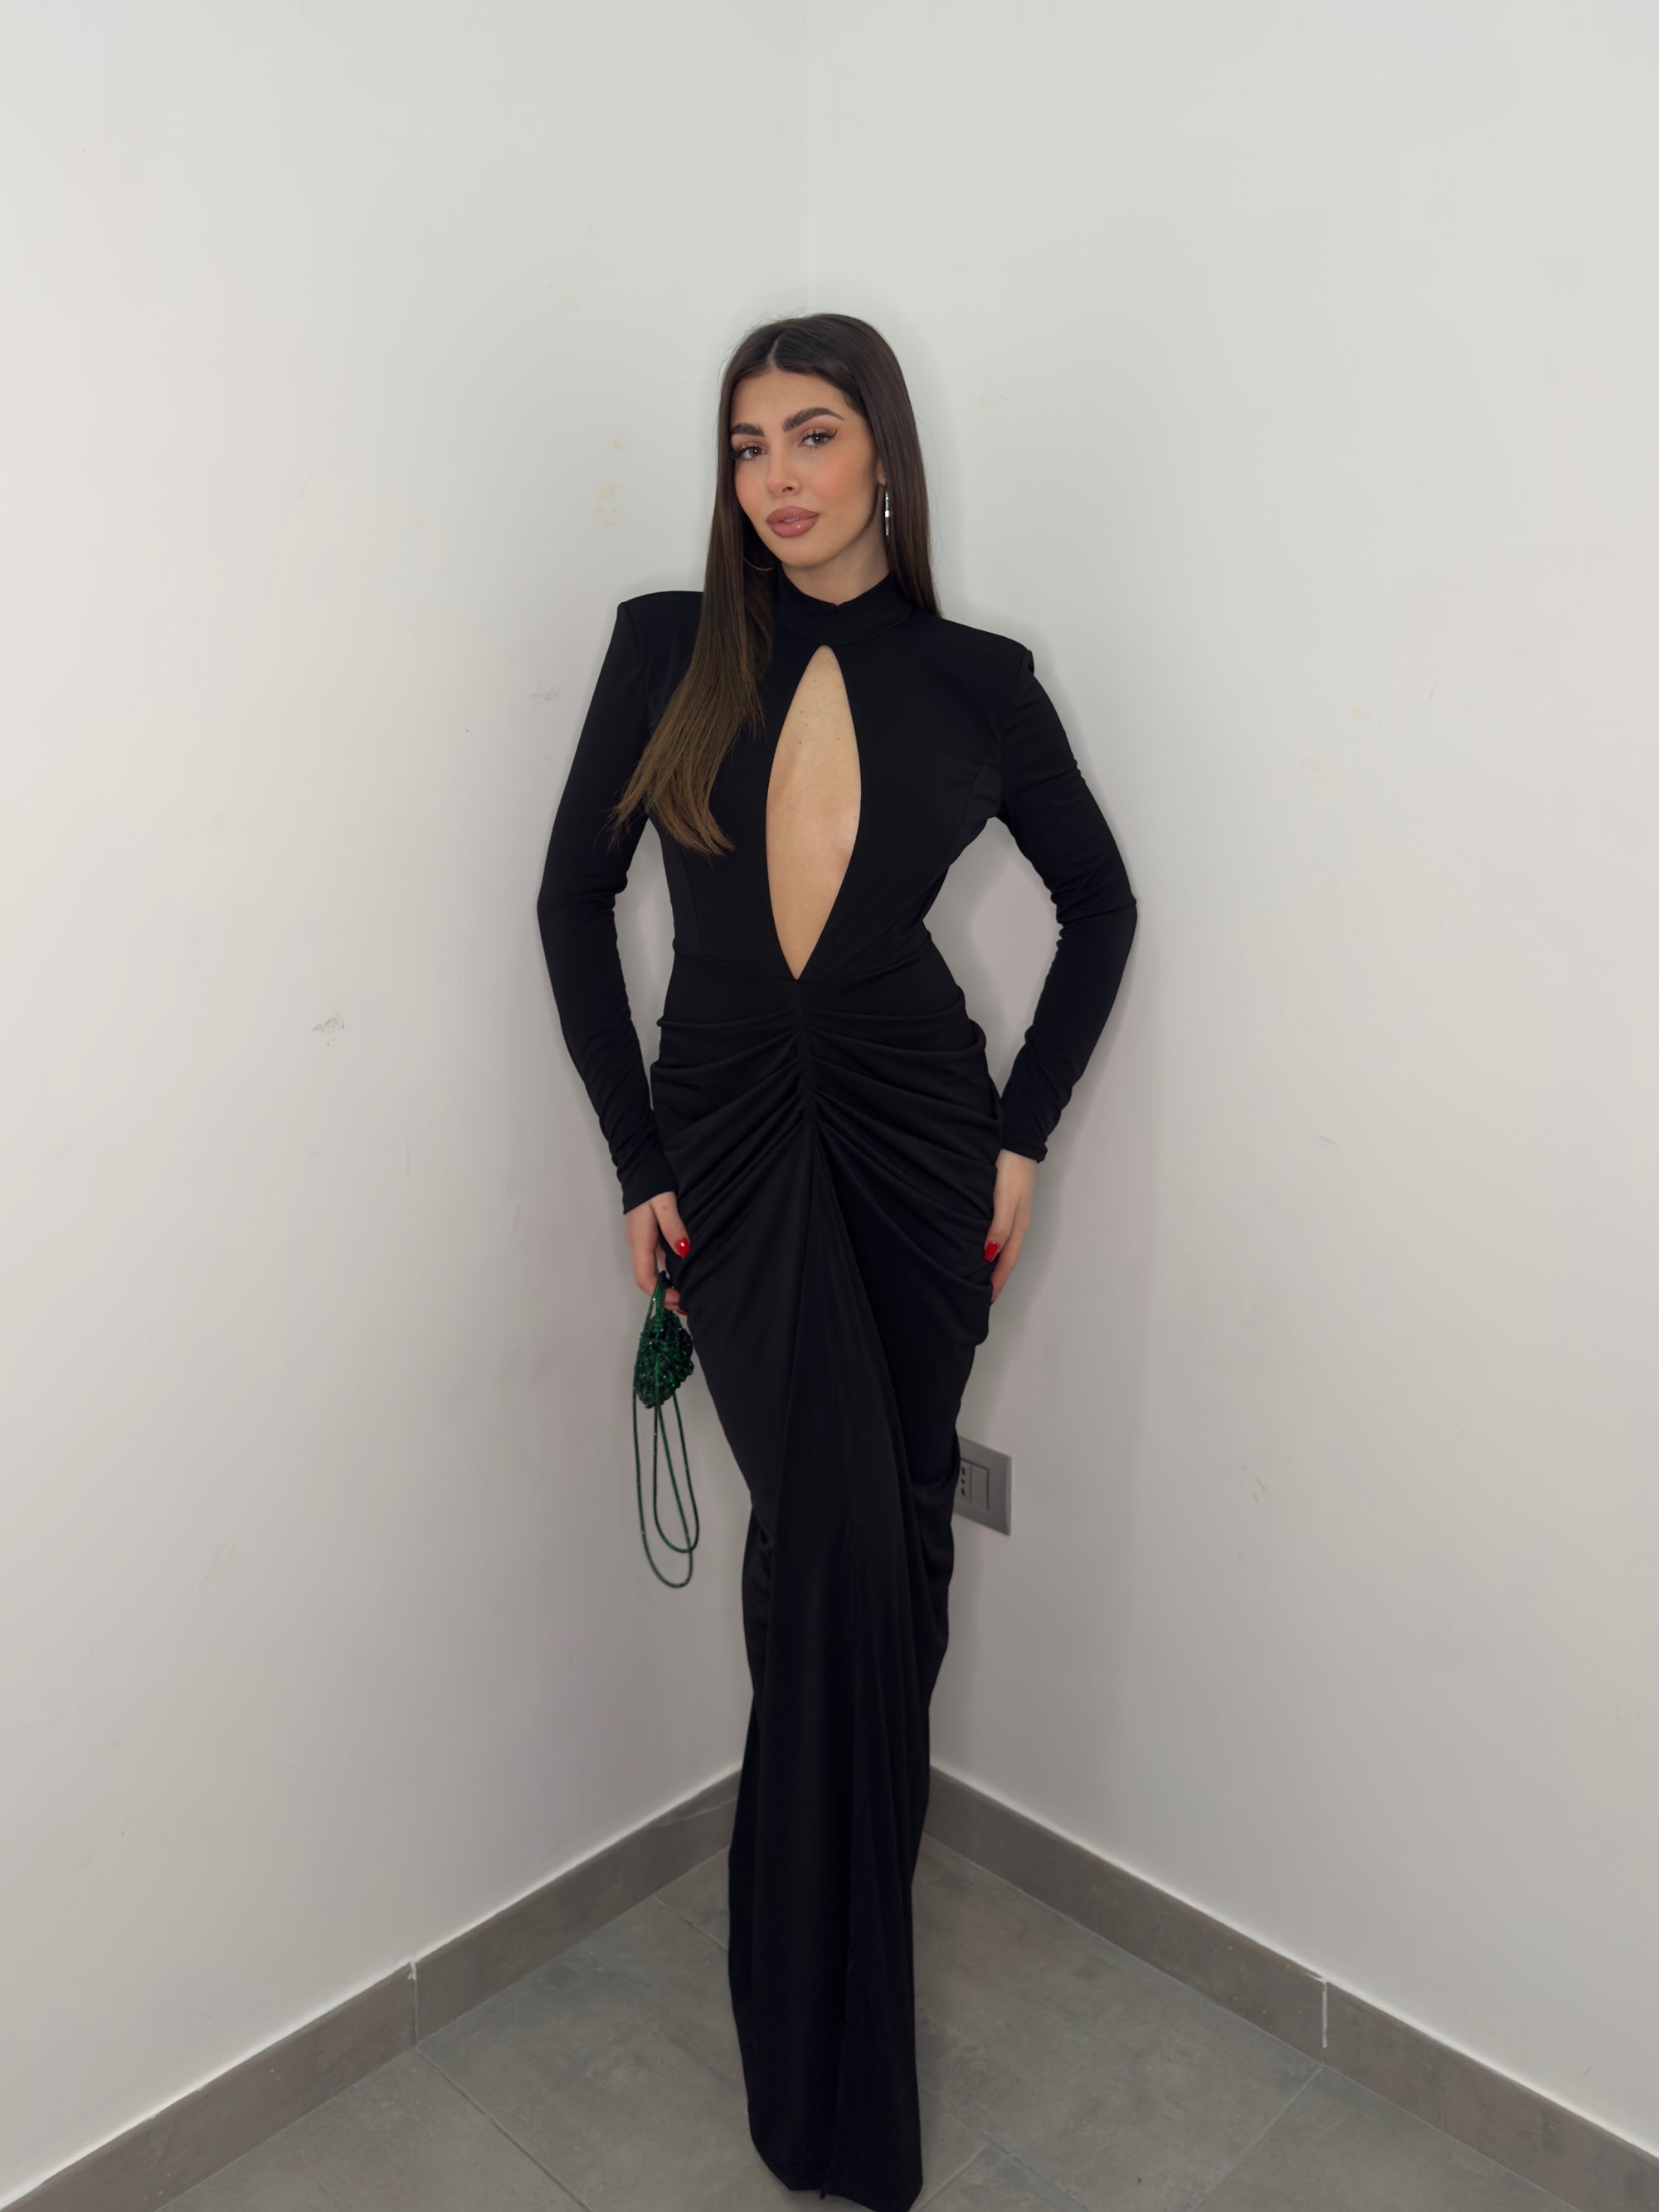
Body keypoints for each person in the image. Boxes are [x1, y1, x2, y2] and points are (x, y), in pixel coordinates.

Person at [536, 312, 1137, 2212]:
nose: (777, 478)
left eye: (812, 434)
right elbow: (568, 898)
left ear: (885, 452)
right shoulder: (668, 646)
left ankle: (822, 1960)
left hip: (916, 1145)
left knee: (878, 1540)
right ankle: (824, 2053)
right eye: (746, 446)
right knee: (845, 1544)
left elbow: (1101, 900)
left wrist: (1021, 1128)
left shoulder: (977, 679)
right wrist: (635, 1155)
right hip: (726, 1145)